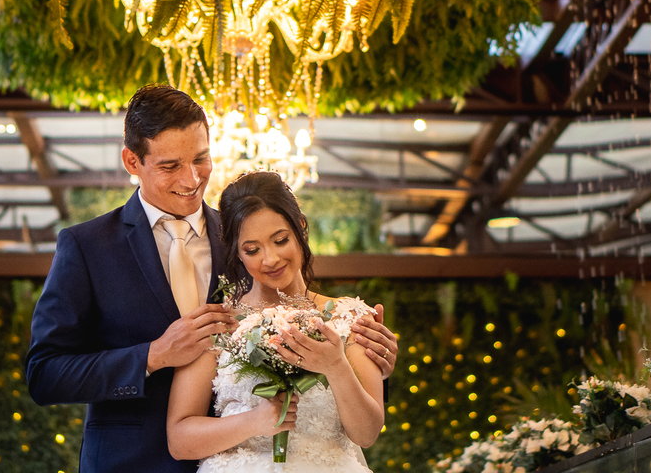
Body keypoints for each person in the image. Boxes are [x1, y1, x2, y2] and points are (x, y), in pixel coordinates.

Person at [27, 85, 398, 473]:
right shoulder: (87, 246)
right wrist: (154, 355)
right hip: (130, 462)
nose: (191, 179)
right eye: (171, 166)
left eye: (201, 159)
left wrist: (371, 363)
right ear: (132, 160)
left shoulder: (243, 238)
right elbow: (45, 374)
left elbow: (336, 382)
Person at [167, 172, 382, 473]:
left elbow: (367, 434)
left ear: (301, 228)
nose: (270, 259)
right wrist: (253, 422)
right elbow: (179, 440)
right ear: (237, 253)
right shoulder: (216, 323)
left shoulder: (349, 318)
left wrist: (336, 367)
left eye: (280, 240)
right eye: (252, 250)